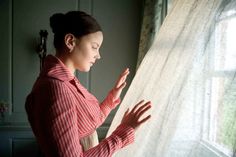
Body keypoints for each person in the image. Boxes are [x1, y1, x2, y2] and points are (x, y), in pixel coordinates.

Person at [25, 11, 152, 157]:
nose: (98, 55)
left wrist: (111, 98)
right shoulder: (56, 88)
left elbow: (89, 124)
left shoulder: (65, 82)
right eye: (94, 46)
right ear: (70, 41)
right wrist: (123, 132)